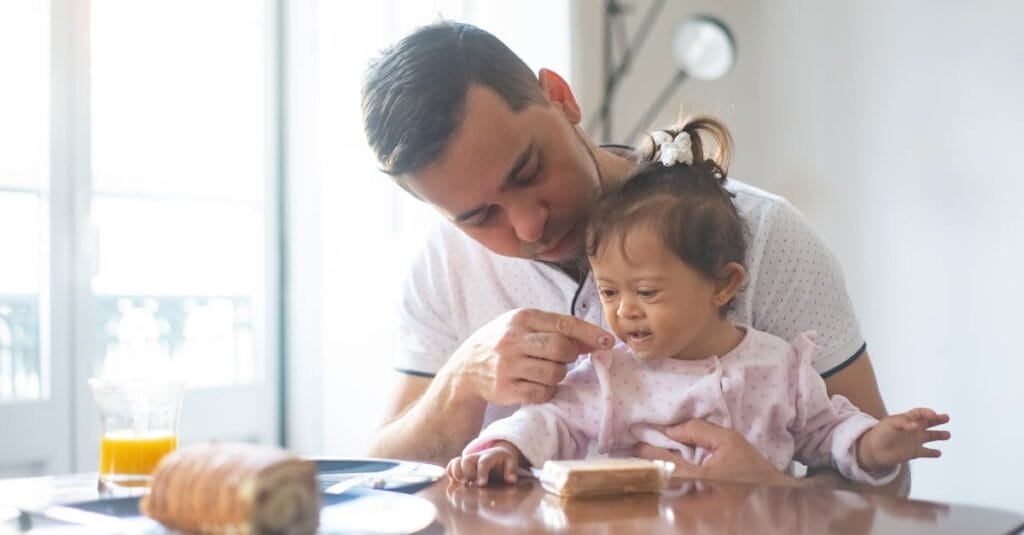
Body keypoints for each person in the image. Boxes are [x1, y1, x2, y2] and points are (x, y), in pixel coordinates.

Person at [361, 20, 903, 491]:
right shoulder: (445, 264)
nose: (529, 225)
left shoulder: (764, 236)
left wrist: (777, 490)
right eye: (481, 218)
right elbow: (383, 477)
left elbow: (889, 477)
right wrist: (462, 379)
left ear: (561, 96)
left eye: (529, 171)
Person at [445, 117, 950, 487]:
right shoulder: (608, 373)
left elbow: (831, 433)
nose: (623, 312)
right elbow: (549, 421)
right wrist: (503, 446)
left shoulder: (780, 368)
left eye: (646, 292)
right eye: (608, 292)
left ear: (723, 286)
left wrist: (877, 446)